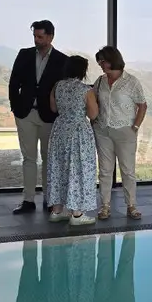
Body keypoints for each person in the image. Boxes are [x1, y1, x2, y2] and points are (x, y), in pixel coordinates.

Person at [9, 20, 67, 215]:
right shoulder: (24, 54)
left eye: (40, 37)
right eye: (35, 36)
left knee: (49, 159)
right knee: (28, 158)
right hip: (25, 113)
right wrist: (15, 107)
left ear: (51, 36)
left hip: (49, 116)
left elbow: (63, 89)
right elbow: (13, 83)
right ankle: (28, 200)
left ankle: (50, 199)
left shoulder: (62, 60)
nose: (36, 40)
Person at [92, 46, 147, 221]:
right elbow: (92, 101)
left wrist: (135, 127)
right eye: (99, 61)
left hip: (125, 131)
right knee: (105, 171)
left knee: (128, 171)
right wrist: (94, 121)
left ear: (112, 60)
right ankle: (105, 207)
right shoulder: (100, 81)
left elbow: (142, 105)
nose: (101, 64)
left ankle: (131, 206)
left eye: (103, 61)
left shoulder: (131, 82)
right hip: (102, 131)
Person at [46, 55, 99, 225]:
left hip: (59, 129)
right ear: (83, 71)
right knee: (78, 169)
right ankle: (76, 214)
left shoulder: (57, 86)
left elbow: (54, 108)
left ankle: (56, 211)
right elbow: (93, 114)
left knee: (58, 168)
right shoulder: (86, 90)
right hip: (78, 132)